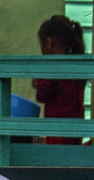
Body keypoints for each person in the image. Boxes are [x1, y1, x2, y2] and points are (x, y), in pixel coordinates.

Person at [32, 15, 86, 146]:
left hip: (57, 129)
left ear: (49, 43)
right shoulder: (76, 65)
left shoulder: (51, 66)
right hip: (76, 127)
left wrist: (38, 83)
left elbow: (42, 96)